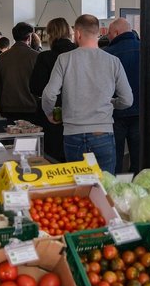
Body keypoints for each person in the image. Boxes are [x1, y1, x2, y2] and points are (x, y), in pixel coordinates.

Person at [42, 15, 132, 173]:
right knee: (105, 184)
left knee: (79, 184)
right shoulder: (113, 61)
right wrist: (111, 103)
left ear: (77, 34)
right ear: (98, 33)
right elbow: (127, 100)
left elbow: (49, 94)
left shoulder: (64, 59)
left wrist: (50, 113)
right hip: (103, 132)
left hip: (73, 133)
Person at [30, 18, 77, 161]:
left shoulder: (45, 57)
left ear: (50, 34)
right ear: (69, 32)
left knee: (53, 158)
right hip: (78, 113)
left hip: (52, 114)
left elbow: (36, 87)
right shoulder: (79, 55)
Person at [103, 18, 141, 173]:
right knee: (139, 158)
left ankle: (116, 186)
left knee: (115, 158)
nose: (108, 36)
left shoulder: (107, 54)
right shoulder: (147, 49)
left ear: (116, 33)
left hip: (115, 113)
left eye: (109, 33)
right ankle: (137, 185)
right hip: (141, 112)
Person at [0, 22, 41, 124]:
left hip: (8, 108)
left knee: (11, 134)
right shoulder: (36, 57)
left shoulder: (1, 58)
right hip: (31, 108)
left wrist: (2, 108)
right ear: (29, 37)